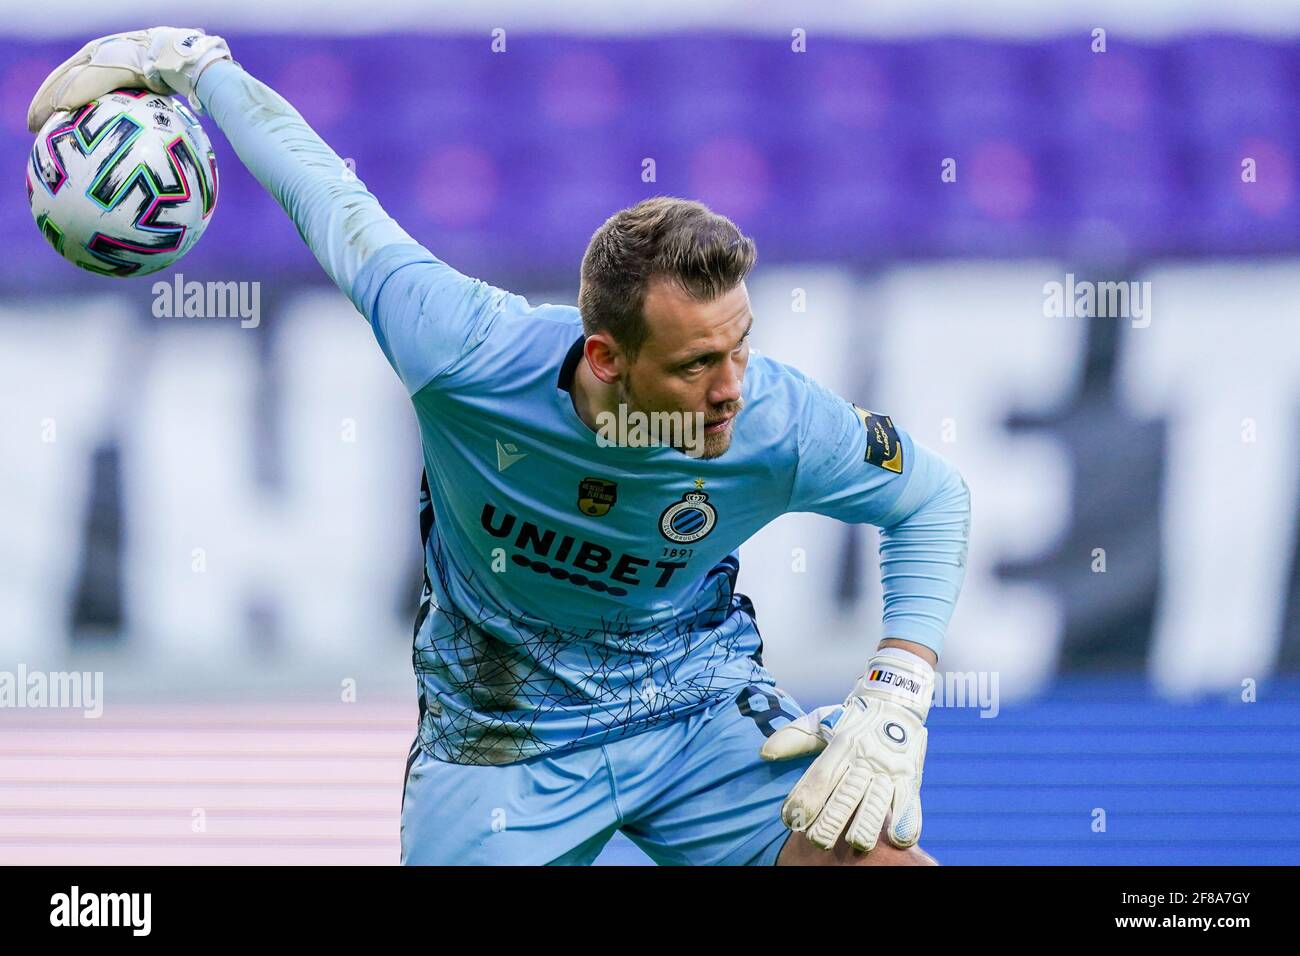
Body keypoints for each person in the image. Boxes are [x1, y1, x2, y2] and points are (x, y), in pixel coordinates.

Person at [29, 27, 971, 866]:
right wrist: (199, 67)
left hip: (694, 705)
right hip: (502, 736)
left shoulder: (777, 419)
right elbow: (325, 196)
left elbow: (931, 500)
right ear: (605, 355)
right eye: (696, 364)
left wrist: (897, 688)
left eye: (742, 345)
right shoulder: (463, 351)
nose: (732, 387)